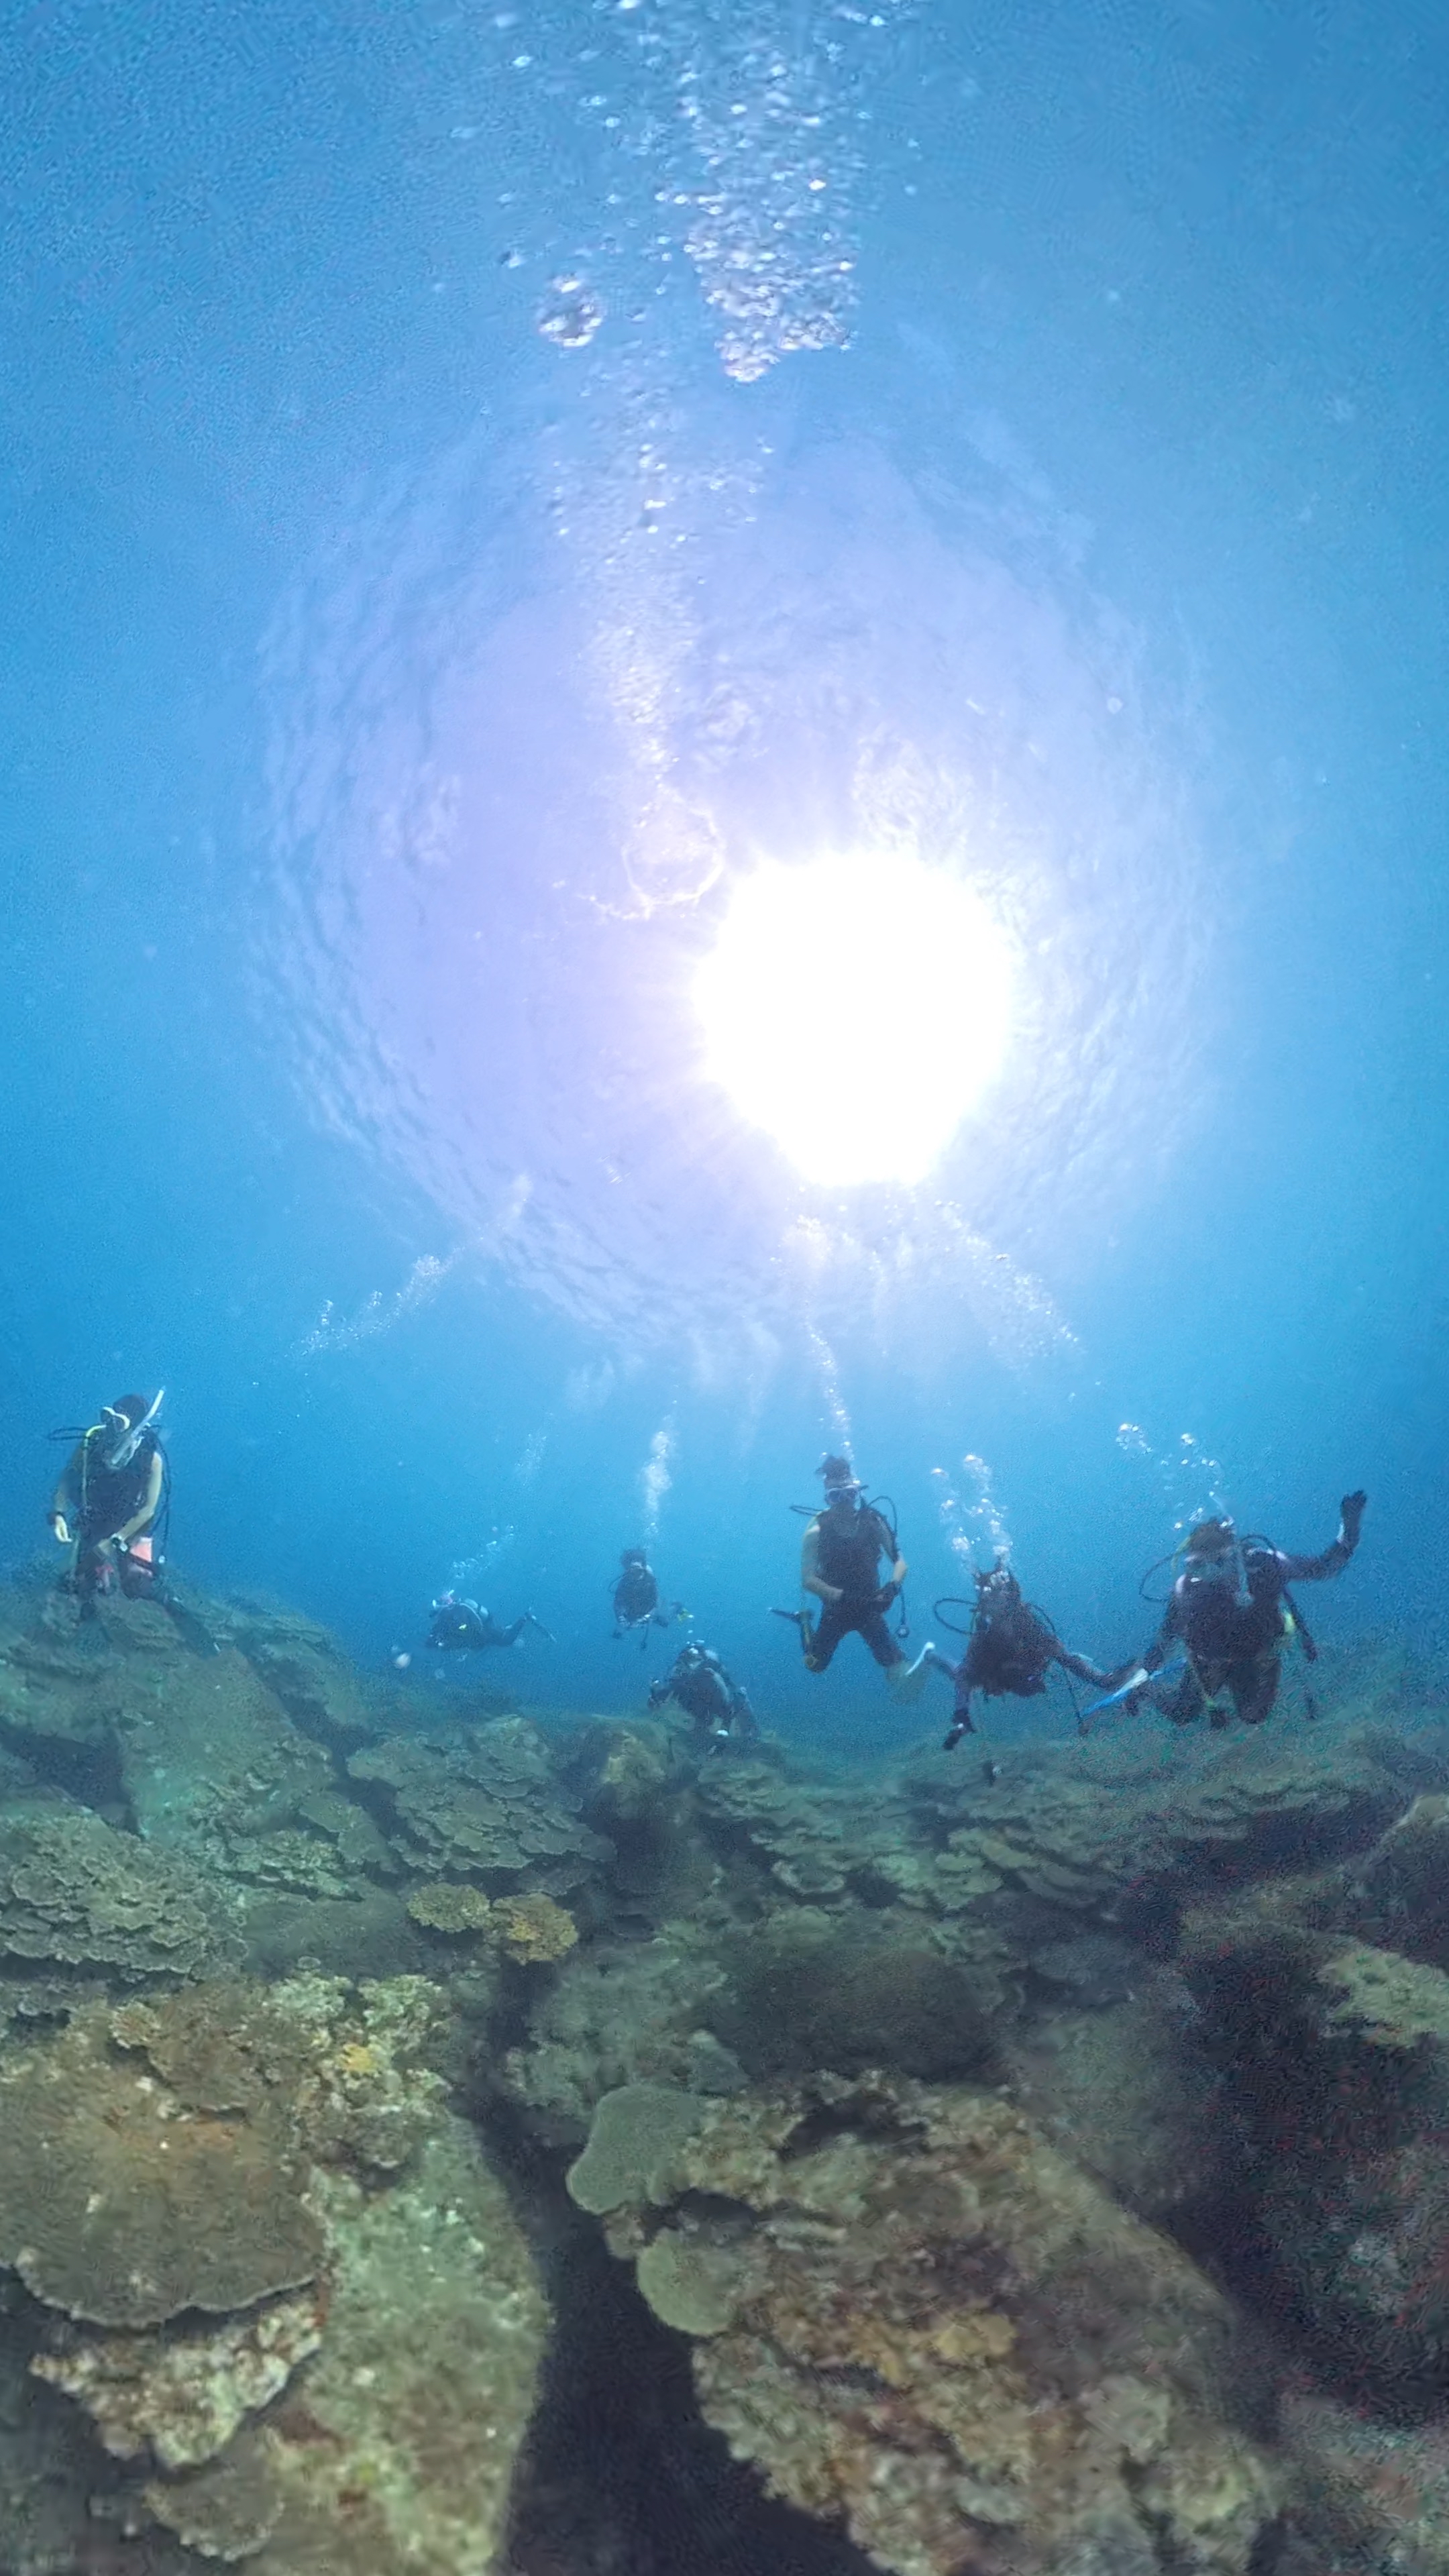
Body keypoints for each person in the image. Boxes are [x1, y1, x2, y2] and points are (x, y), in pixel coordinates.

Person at [1117, 1494, 1366, 1730]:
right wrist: (1144, 1674)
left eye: (1220, 1562)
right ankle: (1142, 1687)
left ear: (1237, 1556)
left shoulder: (1265, 1566)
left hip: (1256, 1655)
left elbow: (1323, 1568)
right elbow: (1165, 1639)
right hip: (1207, 1661)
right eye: (1198, 1566)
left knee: (1253, 1715)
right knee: (1182, 1714)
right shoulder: (1186, 1590)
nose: (1211, 1575)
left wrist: (1350, 1530)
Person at [773, 1454, 932, 1701]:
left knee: (891, 1659)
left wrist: (892, 1587)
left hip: (871, 1607)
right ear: (827, 1497)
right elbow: (807, 1580)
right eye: (836, 1497)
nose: (844, 1503)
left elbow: (899, 1561)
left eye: (849, 1495)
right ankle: (804, 1622)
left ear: (857, 1492)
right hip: (837, 1609)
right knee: (815, 1665)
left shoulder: (874, 1521)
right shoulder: (816, 1531)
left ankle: (900, 1679)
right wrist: (844, 1598)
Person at [923, 1552, 1114, 1750]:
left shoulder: (1027, 1622)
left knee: (1067, 1656)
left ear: (1009, 1595)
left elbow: (1062, 1656)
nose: (996, 1604)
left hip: (1026, 1675)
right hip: (999, 1679)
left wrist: (1101, 1679)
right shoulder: (983, 1635)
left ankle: (1104, 1678)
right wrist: (962, 1715)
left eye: (999, 1597)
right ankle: (932, 1657)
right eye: (990, 1599)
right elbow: (965, 1676)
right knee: (958, 1674)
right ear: (984, 1604)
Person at [49, 1393, 166, 1603]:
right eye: (108, 1417)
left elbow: (148, 1510)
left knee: (137, 1586)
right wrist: (58, 1513)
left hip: (130, 1528)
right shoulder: (91, 1443)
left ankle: (170, 1604)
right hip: (95, 1522)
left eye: (120, 1423)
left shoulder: (151, 1460)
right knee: (77, 1584)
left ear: (137, 1427)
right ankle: (92, 1602)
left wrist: (115, 1541)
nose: (111, 1427)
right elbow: (67, 1479)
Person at [648, 1640, 759, 1750]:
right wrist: (655, 1698)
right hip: (703, 1705)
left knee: (740, 1703)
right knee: (701, 1718)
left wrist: (724, 1732)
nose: (683, 1669)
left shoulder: (711, 1678)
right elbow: (668, 1691)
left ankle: (751, 1736)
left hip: (722, 1702)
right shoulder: (681, 1678)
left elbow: (727, 1709)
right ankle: (701, 1736)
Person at [426, 1593, 551, 1652]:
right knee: (503, 1636)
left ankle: (525, 1618)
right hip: (483, 1635)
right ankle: (514, 1625)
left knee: (506, 1640)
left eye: (440, 1613)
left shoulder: (462, 1609)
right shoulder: (450, 1616)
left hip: (487, 1630)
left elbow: (474, 1625)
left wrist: (461, 1629)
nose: (440, 1617)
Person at [611, 1546, 682, 1647]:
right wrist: (620, 1617)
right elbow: (618, 1602)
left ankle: (677, 1608)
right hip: (633, 1610)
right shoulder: (625, 1582)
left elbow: (656, 1603)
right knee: (624, 1628)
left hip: (648, 1610)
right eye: (632, 1571)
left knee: (665, 1622)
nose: (635, 1575)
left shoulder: (649, 1581)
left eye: (638, 1571)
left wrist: (647, 1617)